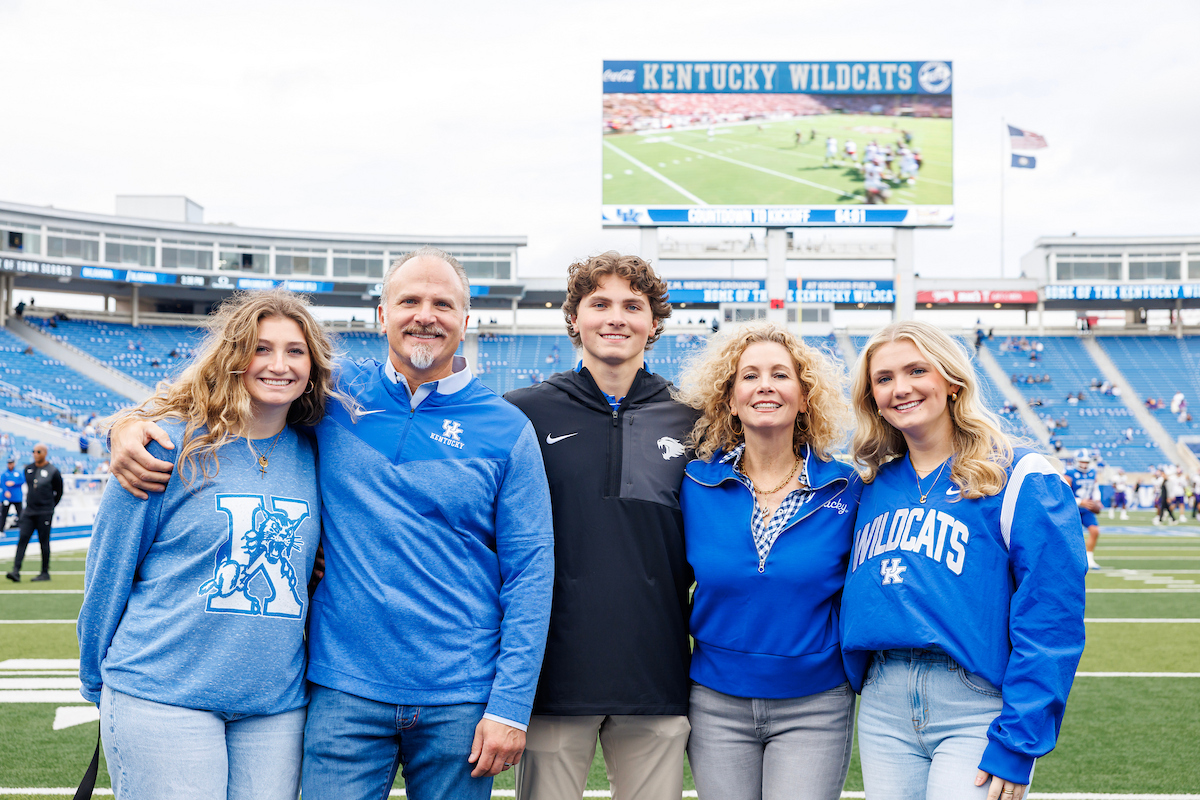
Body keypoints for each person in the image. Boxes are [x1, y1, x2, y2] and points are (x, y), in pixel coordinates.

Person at [109, 246, 555, 800]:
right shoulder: (332, 395)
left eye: (443, 304)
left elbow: (531, 574)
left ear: (466, 320)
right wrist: (129, 424)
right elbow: (222, 396)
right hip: (342, 690)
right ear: (382, 315)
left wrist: (510, 707)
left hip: (459, 696)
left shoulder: (508, 428)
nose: (425, 315)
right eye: (409, 301)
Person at [76, 289, 343, 798]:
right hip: (163, 694)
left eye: (295, 351)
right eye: (261, 348)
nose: (279, 365)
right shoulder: (165, 444)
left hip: (276, 705)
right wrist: (96, 679)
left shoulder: (320, 452)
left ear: (313, 365)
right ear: (233, 356)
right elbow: (109, 569)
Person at [841, 321, 1086, 800]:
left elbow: (1051, 616)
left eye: (917, 370)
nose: (901, 388)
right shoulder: (868, 486)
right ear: (873, 399)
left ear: (952, 381)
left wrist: (1020, 739)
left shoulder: (1020, 474)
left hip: (975, 703)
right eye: (884, 378)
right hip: (883, 703)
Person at [504, 253, 696, 800]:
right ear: (575, 318)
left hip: (655, 674)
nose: (616, 317)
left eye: (633, 306)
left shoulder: (694, 419)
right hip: (550, 676)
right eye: (600, 303)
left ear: (653, 324)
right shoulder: (521, 412)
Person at [675, 322, 860, 800]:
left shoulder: (848, 488)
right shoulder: (694, 484)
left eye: (781, 375)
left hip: (816, 704)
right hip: (714, 703)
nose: (765, 386)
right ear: (730, 400)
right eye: (750, 376)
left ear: (805, 398)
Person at [5, 444, 63, 582]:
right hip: (29, 512)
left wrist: (49, 507)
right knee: (22, 539)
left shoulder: (53, 471)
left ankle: (44, 572)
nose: (35, 454)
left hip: (45, 512)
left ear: (45, 453)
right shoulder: (28, 469)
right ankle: (16, 571)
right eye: (33, 451)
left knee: (44, 542)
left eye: (38, 451)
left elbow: (59, 492)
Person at [1067, 450, 1103, 569]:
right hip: (1072, 508)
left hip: (1087, 507)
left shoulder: (1092, 472)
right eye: (1082, 461)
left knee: (1095, 531)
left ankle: (1089, 559)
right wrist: (1079, 502)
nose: (1084, 464)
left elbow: (1095, 488)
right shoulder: (1069, 473)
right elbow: (1064, 494)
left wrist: (1097, 500)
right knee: (1070, 535)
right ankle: (1069, 560)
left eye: (1086, 462)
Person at [1, 457, 22, 530]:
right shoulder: (4, 474)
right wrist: (6, 491)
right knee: (3, 514)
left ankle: (23, 528)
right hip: (7, 497)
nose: (10, 465)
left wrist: (14, 483)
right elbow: (2, 483)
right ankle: (1, 530)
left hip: (17, 497)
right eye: (9, 463)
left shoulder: (18, 472)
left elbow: (23, 480)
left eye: (11, 463)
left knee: (20, 513)